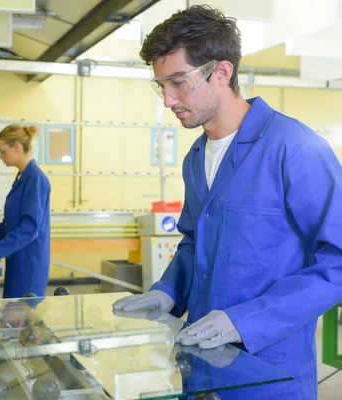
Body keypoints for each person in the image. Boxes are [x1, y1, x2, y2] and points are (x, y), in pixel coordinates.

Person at [112, 5, 342, 399]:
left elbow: (337, 263)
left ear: (221, 72)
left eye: (178, 82)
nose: (168, 100)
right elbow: (193, 243)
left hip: (269, 371)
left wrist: (244, 321)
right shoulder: (195, 159)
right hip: (200, 360)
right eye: (160, 85)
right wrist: (167, 291)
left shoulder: (295, 149)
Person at [0, 124, 51, 299]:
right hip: (16, 260)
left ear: (17, 147)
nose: (0, 156)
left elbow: (30, 228)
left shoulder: (35, 179)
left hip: (29, 265)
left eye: (2, 150)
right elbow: (9, 225)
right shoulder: (22, 178)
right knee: (11, 317)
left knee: (21, 319)